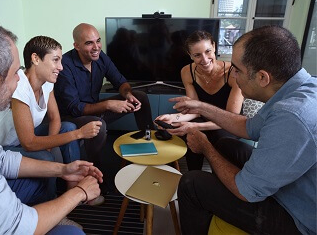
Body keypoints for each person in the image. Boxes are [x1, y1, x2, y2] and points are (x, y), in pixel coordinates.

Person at [0, 19, 103, 235]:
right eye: (15, 72)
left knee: (49, 161)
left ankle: (53, 209)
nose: (20, 78)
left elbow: (0, 159)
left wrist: (63, 169)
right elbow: (13, 228)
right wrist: (80, 193)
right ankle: (54, 214)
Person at [171, 25, 316, 234]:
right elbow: (248, 127)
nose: (234, 77)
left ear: (262, 78)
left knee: (191, 183)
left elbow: (247, 191)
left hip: (297, 217)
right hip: (291, 184)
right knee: (226, 145)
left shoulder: (292, 116)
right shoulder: (295, 91)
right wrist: (199, 106)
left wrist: (205, 148)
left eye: (237, 71)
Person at [0, 35, 102, 202]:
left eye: (61, 61)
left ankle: (73, 187)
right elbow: (28, 142)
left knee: (68, 126)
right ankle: (50, 202)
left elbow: (55, 118)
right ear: (35, 59)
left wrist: (50, 145)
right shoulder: (19, 87)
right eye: (55, 60)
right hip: (3, 147)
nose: (61, 67)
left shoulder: (47, 82)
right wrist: (79, 134)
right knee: (46, 156)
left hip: (24, 138)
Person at [54, 23, 154, 168]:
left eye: (98, 41)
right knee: (98, 125)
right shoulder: (65, 66)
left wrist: (127, 94)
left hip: (95, 110)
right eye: (89, 43)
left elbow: (121, 82)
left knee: (140, 97)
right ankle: (96, 169)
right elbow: (75, 108)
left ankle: (149, 141)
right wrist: (108, 105)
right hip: (71, 117)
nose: (96, 47)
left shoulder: (101, 57)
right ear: (77, 46)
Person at [155, 30, 243, 170]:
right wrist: (173, 118)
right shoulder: (187, 72)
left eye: (208, 51)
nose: (204, 59)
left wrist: (195, 126)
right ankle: (193, 175)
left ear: (214, 47)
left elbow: (231, 118)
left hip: (230, 122)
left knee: (221, 139)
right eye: (197, 55)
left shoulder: (233, 73)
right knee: (193, 134)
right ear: (190, 56)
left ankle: (222, 180)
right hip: (203, 117)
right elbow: (195, 110)